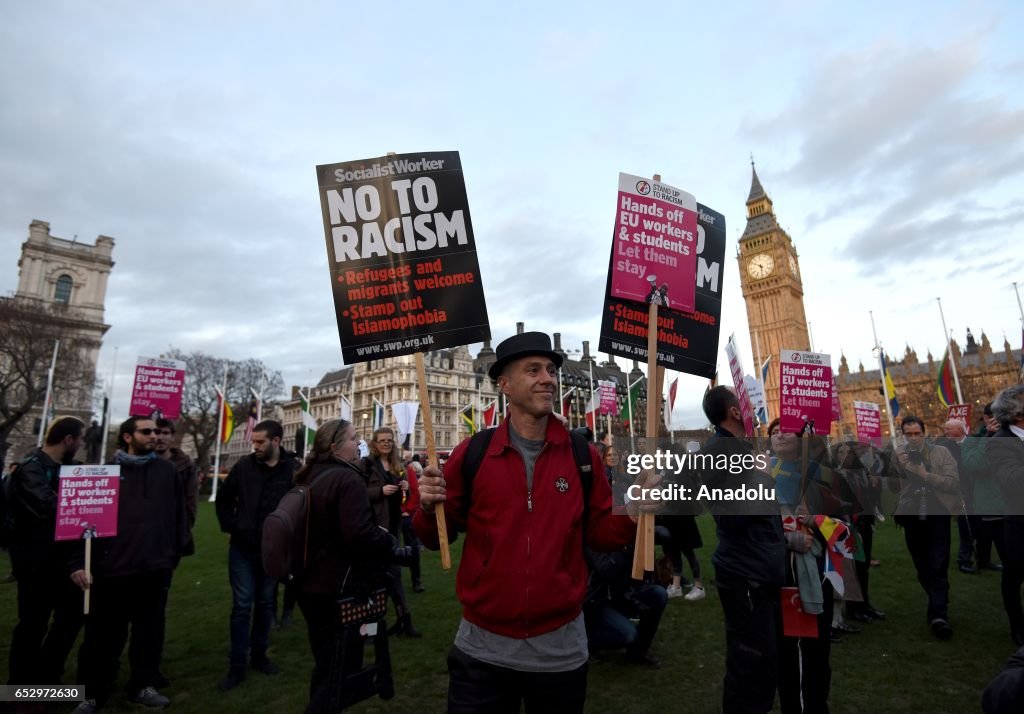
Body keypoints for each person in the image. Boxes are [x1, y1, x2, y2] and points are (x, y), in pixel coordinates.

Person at [414, 331, 637, 713]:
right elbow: (437, 538)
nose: (547, 378)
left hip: (560, 649)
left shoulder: (583, 455)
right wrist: (427, 506)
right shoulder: (474, 452)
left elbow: (600, 536)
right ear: (504, 384)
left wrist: (633, 513)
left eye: (550, 370)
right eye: (532, 370)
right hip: (482, 649)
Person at [70, 417, 189, 713]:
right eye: (146, 432)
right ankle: (92, 693)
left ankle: (142, 685)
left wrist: (172, 555)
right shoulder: (101, 473)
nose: (155, 436)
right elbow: (78, 524)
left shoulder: (167, 472)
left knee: (148, 634)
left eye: (157, 432)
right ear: (127, 437)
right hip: (111, 571)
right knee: (101, 639)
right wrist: (77, 562)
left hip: (153, 568)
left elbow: (178, 517)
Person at [293, 419, 395, 714]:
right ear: (336, 447)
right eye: (353, 438)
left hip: (308, 582)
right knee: (341, 667)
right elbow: (359, 534)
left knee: (325, 663)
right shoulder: (346, 479)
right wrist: (386, 541)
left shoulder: (311, 475)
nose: (358, 442)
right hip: (337, 585)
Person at [700, 386, 787, 714]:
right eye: (746, 404)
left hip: (759, 571)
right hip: (744, 576)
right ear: (735, 412)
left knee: (764, 667)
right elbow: (729, 515)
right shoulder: (717, 452)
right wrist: (763, 478)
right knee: (751, 668)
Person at [214, 419, 299, 690]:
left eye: (260, 442)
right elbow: (224, 498)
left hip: (273, 549)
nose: (256, 446)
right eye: (254, 442)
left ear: (276, 441)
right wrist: (232, 527)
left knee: (264, 604)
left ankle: (259, 655)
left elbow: (302, 503)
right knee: (242, 605)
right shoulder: (244, 467)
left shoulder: (292, 470)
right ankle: (237, 664)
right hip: (243, 547)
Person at [7, 417, 86, 686]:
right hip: (36, 564)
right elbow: (48, 507)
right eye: (80, 439)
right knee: (32, 626)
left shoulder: (74, 469)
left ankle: (47, 676)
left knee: (71, 620)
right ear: (68, 440)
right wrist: (83, 505)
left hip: (67, 561)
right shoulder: (32, 469)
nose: (81, 444)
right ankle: (20, 686)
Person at [892, 415, 960, 640]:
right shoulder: (898, 456)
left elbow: (952, 483)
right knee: (922, 567)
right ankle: (939, 599)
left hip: (938, 514)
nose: (913, 438)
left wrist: (925, 475)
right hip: (912, 517)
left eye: (917, 433)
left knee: (938, 563)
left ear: (924, 432)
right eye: (908, 434)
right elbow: (891, 488)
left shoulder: (941, 453)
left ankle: (938, 616)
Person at [363, 426, 420, 636]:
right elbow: (358, 493)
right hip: (375, 528)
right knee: (374, 580)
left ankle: (404, 622)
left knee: (394, 576)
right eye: (382, 440)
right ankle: (369, 629)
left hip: (394, 527)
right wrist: (379, 491)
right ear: (374, 443)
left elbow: (408, 494)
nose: (386, 443)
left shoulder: (398, 465)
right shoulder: (367, 465)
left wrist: (405, 488)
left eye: (389, 440)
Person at [988, 385, 1024, 646]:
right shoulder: (999, 442)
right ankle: (1018, 627)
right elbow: (1013, 481)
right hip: (1019, 523)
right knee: (1014, 577)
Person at [401, 456, 425, 593]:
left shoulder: (406, 469)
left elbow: (415, 491)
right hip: (390, 516)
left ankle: (416, 579)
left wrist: (408, 510)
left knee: (413, 548)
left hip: (406, 515)